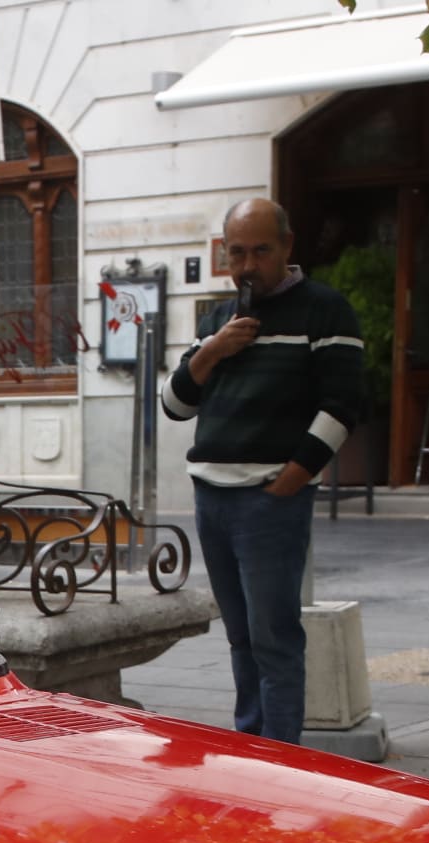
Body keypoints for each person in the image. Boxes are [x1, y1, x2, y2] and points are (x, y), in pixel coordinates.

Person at [160, 198, 365, 745]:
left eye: (260, 251)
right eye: (237, 252)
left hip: (269, 499)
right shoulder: (216, 319)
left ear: (287, 248)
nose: (248, 265)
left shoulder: (324, 309)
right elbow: (174, 405)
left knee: (273, 635)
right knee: (240, 637)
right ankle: (252, 747)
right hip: (213, 498)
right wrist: (212, 352)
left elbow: (344, 404)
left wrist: (292, 478)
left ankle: (281, 756)